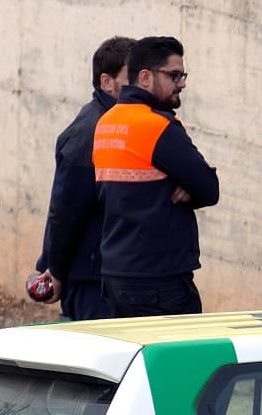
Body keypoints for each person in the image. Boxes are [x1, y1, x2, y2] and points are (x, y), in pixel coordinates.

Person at [93, 36, 219, 317]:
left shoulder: (106, 122)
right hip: (159, 281)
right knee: (183, 347)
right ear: (146, 78)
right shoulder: (157, 126)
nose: (182, 83)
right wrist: (188, 186)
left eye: (183, 75)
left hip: (116, 275)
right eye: (174, 75)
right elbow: (210, 189)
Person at [30, 36, 135, 320]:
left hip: (107, 274)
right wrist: (55, 269)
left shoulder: (118, 123)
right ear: (106, 82)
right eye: (131, 78)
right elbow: (65, 210)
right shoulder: (90, 132)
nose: (140, 85)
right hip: (90, 281)